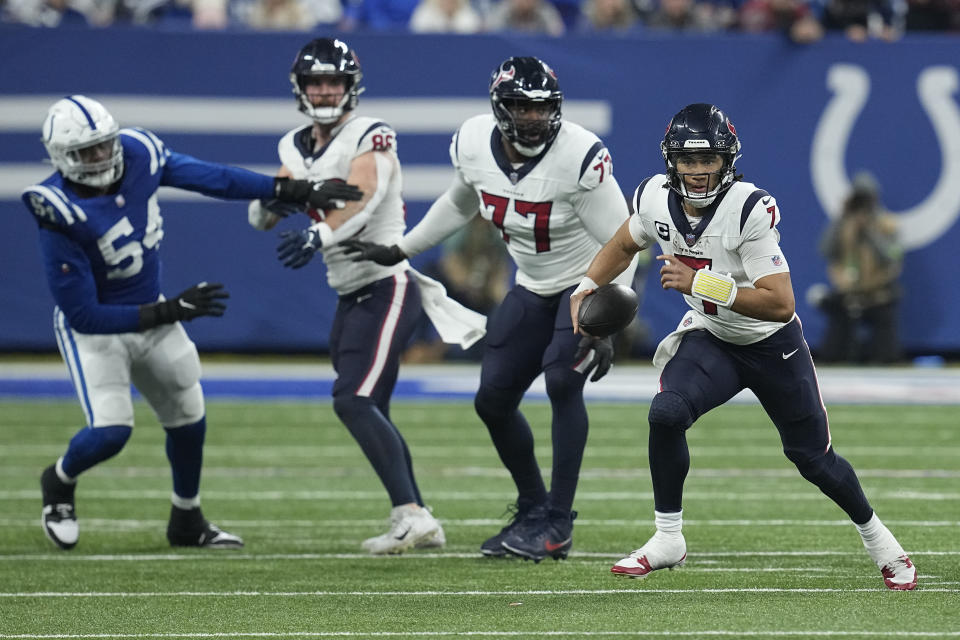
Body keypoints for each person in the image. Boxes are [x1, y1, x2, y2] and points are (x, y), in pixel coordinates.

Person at [569, 103, 917, 591]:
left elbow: (779, 303)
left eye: (707, 159)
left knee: (813, 459)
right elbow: (626, 242)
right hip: (713, 339)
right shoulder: (652, 197)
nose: (696, 171)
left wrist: (702, 283)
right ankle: (668, 537)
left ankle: (882, 543)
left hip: (771, 344)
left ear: (727, 159)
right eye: (687, 161)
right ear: (671, 161)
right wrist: (586, 285)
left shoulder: (748, 207)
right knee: (666, 413)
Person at [23, 94, 360, 551]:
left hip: (153, 310)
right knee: (112, 431)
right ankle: (59, 480)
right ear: (63, 157)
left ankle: (187, 518)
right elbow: (84, 313)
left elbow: (212, 178)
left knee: (188, 411)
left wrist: (291, 191)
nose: (102, 157)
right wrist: (172, 312)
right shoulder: (57, 209)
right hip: (97, 330)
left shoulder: (138, 152)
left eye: (105, 145)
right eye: (88, 152)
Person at [342, 56, 637, 562]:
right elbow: (461, 202)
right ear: (500, 108)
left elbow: (626, 237)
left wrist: (605, 319)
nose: (533, 118)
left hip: (583, 287)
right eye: (521, 107)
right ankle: (532, 508)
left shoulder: (579, 155)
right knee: (492, 400)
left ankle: (558, 524)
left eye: (542, 108)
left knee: (563, 382)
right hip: (530, 285)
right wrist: (402, 250)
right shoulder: (474, 142)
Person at [255, 38, 486, 555]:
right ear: (301, 87)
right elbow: (276, 196)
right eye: (316, 82)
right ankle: (416, 516)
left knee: (353, 400)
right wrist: (268, 204)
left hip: (386, 284)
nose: (324, 90)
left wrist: (317, 234)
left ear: (350, 87)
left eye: (333, 81)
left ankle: (413, 513)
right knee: (369, 403)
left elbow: (364, 197)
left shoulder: (369, 134)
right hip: (351, 292)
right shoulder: (295, 145)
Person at [812, 172, 903, 364]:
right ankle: (837, 353)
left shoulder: (887, 223)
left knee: (886, 354)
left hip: (878, 293)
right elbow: (825, 250)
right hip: (849, 292)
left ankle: (881, 354)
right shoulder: (844, 223)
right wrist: (842, 218)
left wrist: (868, 232)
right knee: (832, 352)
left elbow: (891, 257)